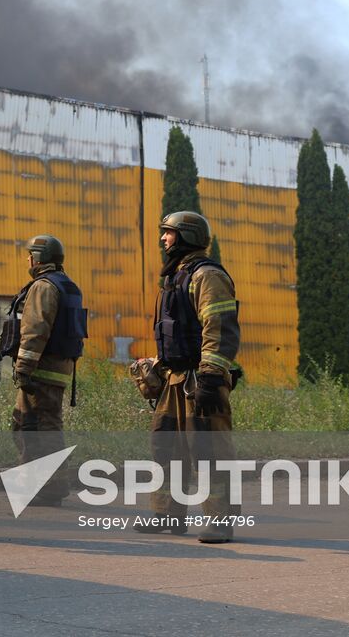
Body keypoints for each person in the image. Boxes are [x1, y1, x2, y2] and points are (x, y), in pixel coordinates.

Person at [141, 211, 241, 544]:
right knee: (165, 446)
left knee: (208, 450)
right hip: (174, 377)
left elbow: (219, 327)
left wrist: (211, 377)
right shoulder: (175, 277)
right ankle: (167, 513)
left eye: (168, 234)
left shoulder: (207, 275)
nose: (163, 239)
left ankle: (219, 520)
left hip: (201, 377)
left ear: (185, 236)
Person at [7, 234, 86, 505]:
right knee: (38, 425)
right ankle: (45, 484)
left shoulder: (43, 286)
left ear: (38, 257)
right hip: (57, 368)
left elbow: (35, 329)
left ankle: (49, 488)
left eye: (30, 254)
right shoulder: (66, 285)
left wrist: (23, 367)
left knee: (36, 427)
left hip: (41, 369)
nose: (28, 259)